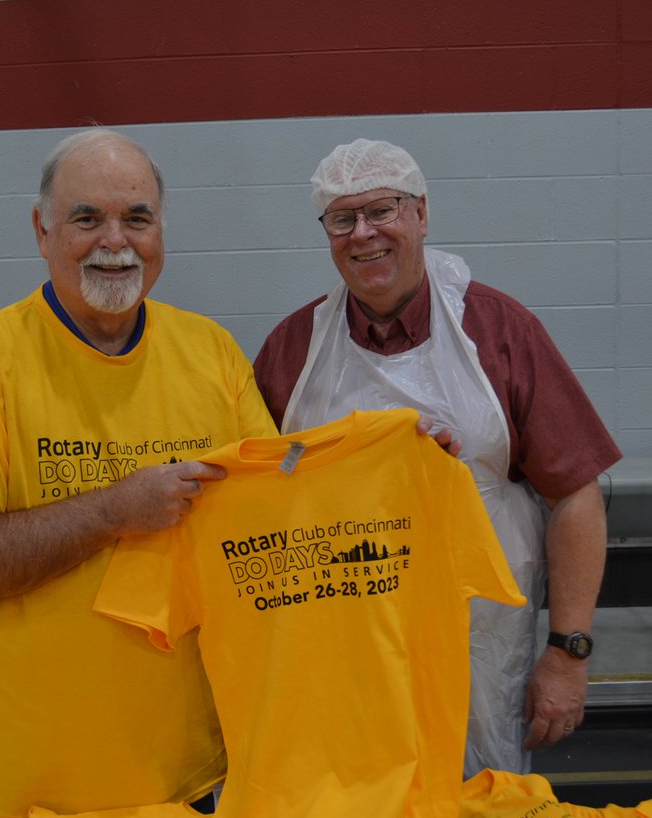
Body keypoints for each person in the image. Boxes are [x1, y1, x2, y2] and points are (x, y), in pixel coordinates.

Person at [0, 128, 277, 818]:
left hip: (180, 772)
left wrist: (394, 458)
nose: (115, 241)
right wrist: (112, 511)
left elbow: (272, 520)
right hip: (29, 787)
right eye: (85, 218)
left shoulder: (211, 353)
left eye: (137, 218)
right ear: (41, 230)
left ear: (162, 231)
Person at [254, 137, 622, 776]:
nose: (363, 233)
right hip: (339, 645)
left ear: (422, 214)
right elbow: (259, 490)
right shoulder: (293, 348)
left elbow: (576, 495)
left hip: (479, 645)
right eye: (342, 219)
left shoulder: (500, 331)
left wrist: (568, 653)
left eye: (383, 210)